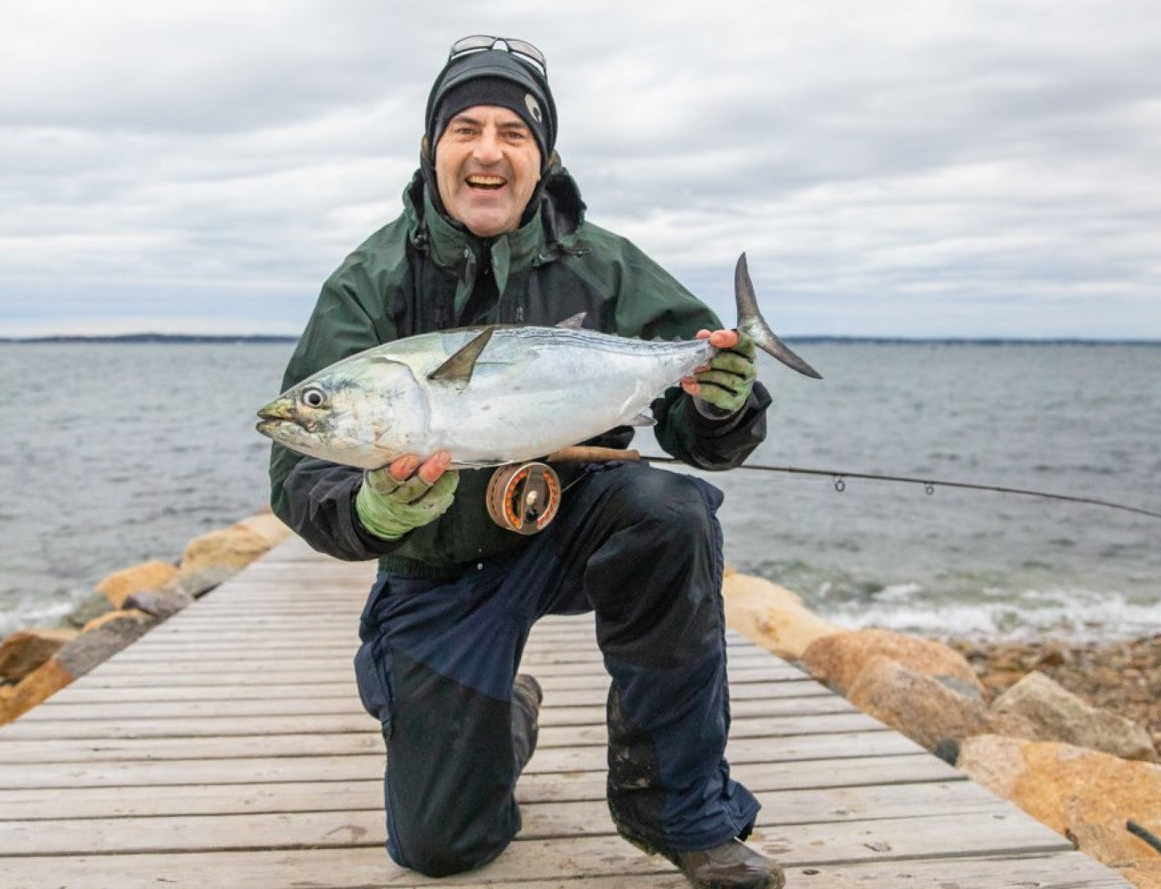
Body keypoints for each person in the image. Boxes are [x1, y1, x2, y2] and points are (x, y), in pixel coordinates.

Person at [268, 35, 785, 889]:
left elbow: (698, 430)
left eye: (513, 131)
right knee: (440, 846)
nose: (487, 149)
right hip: (438, 568)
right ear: (432, 147)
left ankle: (689, 813)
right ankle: (497, 712)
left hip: (575, 525)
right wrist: (369, 514)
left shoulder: (603, 263)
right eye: (464, 126)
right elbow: (299, 471)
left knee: (670, 513)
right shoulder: (371, 281)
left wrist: (720, 403)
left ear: (541, 156)